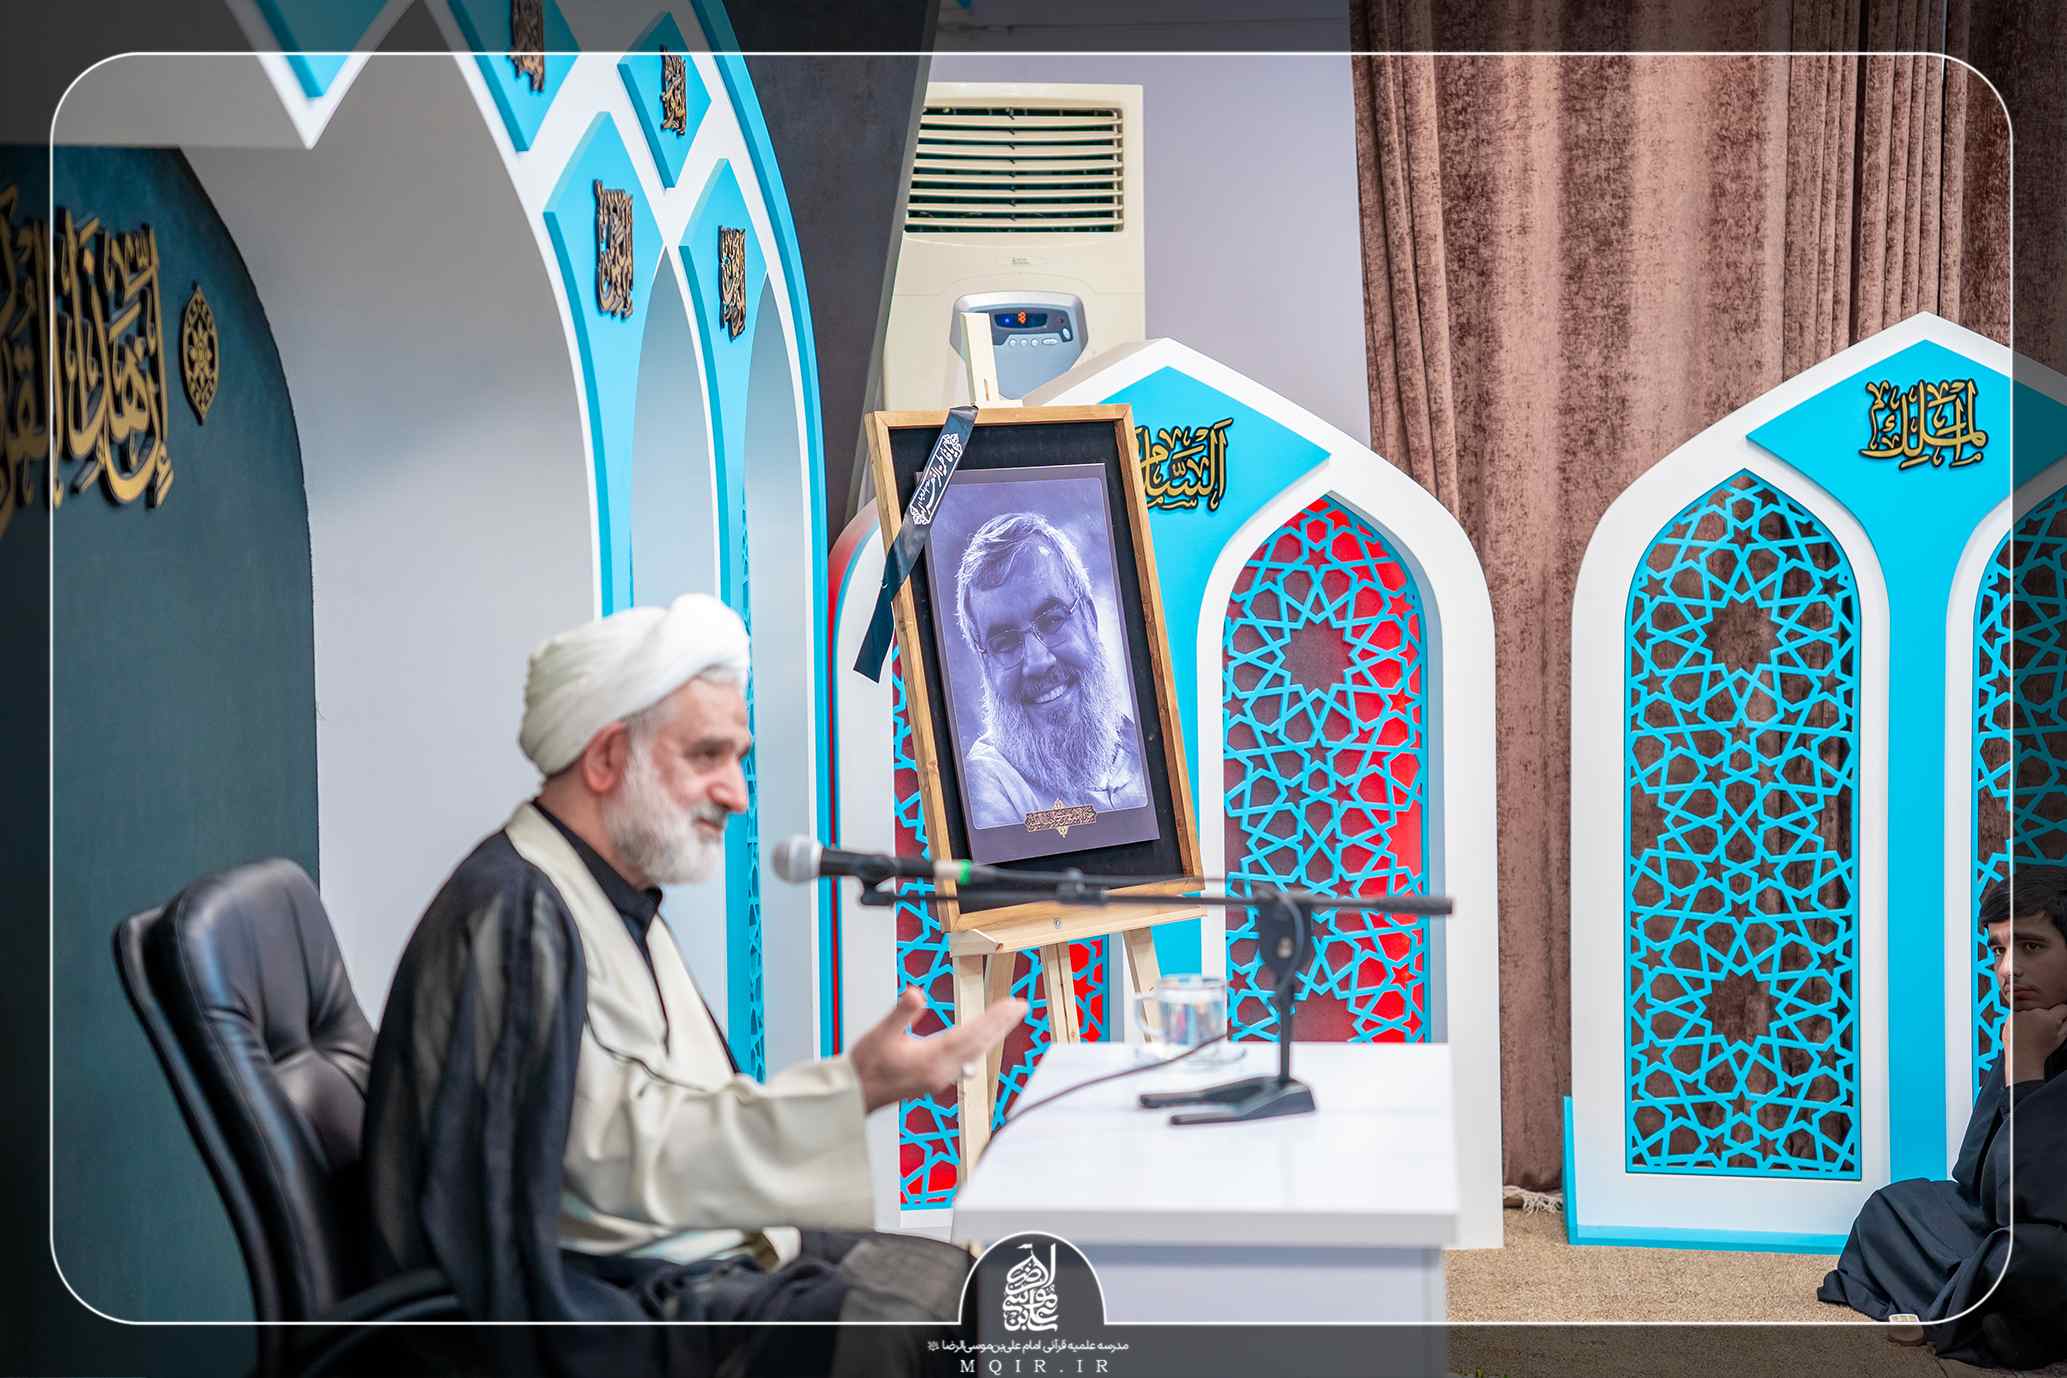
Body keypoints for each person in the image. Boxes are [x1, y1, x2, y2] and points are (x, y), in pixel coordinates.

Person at [362, 593, 1025, 1377]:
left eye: (737, 759)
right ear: (606, 759)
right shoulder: (517, 914)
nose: (737, 793)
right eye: (707, 756)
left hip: (656, 1258)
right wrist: (856, 1088)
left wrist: (852, 1093)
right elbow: (599, 1171)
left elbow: (654, 1123)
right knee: (917, 1324)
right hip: (586, 1302)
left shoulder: (606, 890)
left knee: (964, 1285)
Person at [1817, 868, 2067, 1367]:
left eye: (2031, 947)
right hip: (2010, 1229)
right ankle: (1969, 1301)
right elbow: (1974, 1177)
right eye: (1998, 951)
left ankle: (1960, 1305)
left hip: (2046, 1244)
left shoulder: (2032, 1044)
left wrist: (2026, 1078)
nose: (2008, 969)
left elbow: (2035, 1203)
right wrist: (2018, 1067)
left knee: (2029, 1257)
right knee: (1893, 1208)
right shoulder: (2030, 1032)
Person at [952, 512, 1148, 829]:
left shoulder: (1146, 744)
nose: (1038, 661)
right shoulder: (989, 788)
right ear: (984, 662)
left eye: (1053, 620)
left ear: (1089, 617)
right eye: (1005, 642)